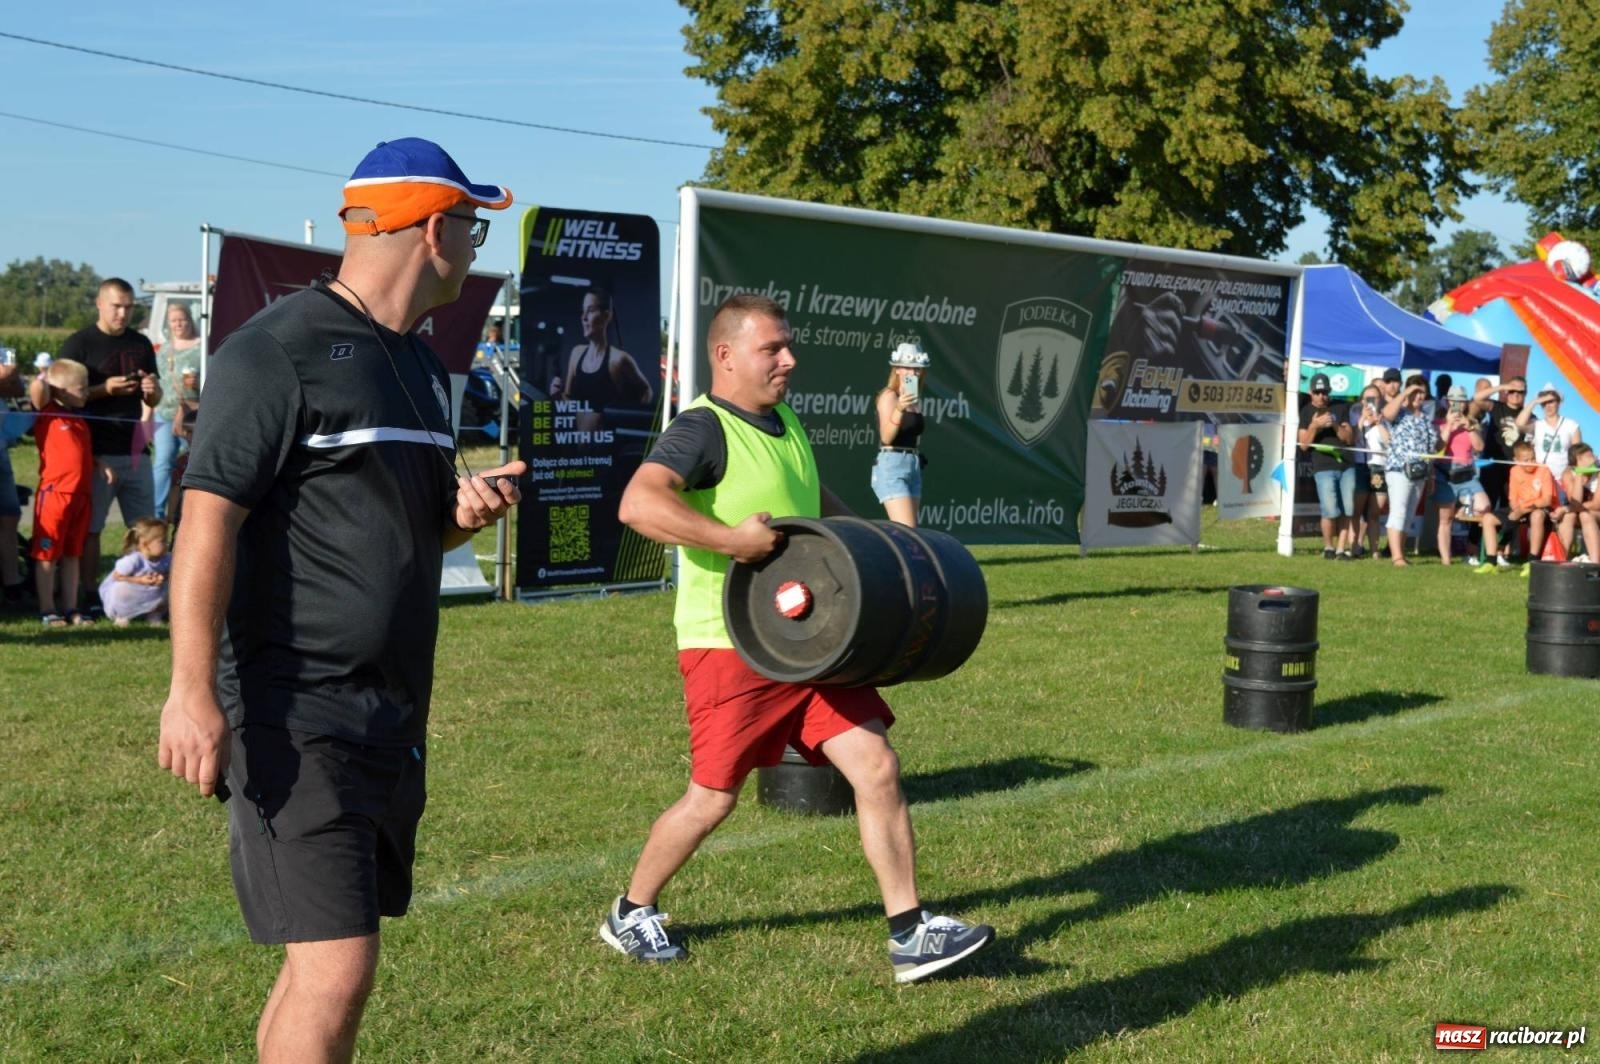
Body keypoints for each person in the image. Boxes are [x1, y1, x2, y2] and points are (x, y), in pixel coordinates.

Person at [157, 137, 521, 1064]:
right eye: (474, 226)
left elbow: (405, 527)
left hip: (389, 708)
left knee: (318, 970)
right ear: (434, 229)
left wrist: (459, 515)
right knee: (336, 971)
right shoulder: (277, 350)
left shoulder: (412, 361)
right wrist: (190, 691)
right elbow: (207, 521)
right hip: (294, 708)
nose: (478, 245)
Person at [607, 293, 994, 984]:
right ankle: (631, 908)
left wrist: (882, 547)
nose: (789, 360)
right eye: (772, 349)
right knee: (713, 798)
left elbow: (818, 510)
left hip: (809, 640)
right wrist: (733, 541)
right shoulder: (701, 428)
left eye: (788, 347)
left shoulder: (783, 420)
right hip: (731, 645)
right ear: (726, 356)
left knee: (876, 765)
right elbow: (639, 503)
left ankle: (910, 932)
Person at [51, 278, 161, 614]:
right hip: (95, 453)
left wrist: (151, 388)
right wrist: (103, 389)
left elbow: (155, 397)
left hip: (136, 450)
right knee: (92, 529)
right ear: (100, 304)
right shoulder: (79, 344)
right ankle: (90, 594)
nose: (123, 313)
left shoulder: (141, 343)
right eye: (116, 306)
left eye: (128, 307)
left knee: (145, 527)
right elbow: (58, 395)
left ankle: (144, 595)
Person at [29, 359, 94, 626]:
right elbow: (36, 391)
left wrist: (99, 464)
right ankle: (47, 609)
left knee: (72, 553)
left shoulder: (79, 419)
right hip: (55, 495)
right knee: (48, 554)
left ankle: (70, 607)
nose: (88, 393)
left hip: (81, 496)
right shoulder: (48, 411)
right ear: (62, 390)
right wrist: (45, 377)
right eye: (82, 388)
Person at [549, 287, 653, 431]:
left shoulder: (618, 360)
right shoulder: (577, 353)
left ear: (606, 316)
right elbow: (569, 400)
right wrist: (556, 396)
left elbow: (646, 390)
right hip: (578, 447)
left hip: (609, 447)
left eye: (590, 310)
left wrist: (630, 421)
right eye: (583, 311)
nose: (584, 317)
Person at [152, 302, 204, 520]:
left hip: (192, 415)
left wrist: (199, 381)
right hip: (164, 413)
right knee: (163, 461)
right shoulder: (164, 349)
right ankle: (156, 513)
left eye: (181, 319)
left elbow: (212, 380)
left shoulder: (202, 347)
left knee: (189, 461)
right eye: (173, 320)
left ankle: (184, 512)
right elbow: (157, 381)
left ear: (189, 320)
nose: (178, 324)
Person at [1380, 376, 1438, 567]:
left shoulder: (1426, 420)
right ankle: (1396, 557)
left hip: (1420, 473)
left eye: (1422, 392)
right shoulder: (1400, 413)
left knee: (1409, 514)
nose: (1418, 396)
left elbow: (1431, 449)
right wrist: (1405, 393)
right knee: (1398, 511)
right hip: (1398, 469)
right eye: (1415, 391)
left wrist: (1430, 475)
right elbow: (1386, 414)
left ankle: (1400, 553)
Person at [871, 341, 930, 526]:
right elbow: (886, 437)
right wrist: (899, 408)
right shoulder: (889, 396)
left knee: (911, 533)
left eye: (917, 369)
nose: (913, 373)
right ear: (897, 369)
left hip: (912, 464)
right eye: (908, 367)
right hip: (892, 465)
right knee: (908, 532)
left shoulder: (914, 400)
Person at [1298, 372, 1355, 559]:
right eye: (1317, 392)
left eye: (1325, 392)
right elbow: (1304, 445)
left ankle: (1341, 549)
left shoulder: (1340, 407)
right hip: (1323, 466)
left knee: (1348, 508)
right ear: (1310, 392)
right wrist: (1314, 426)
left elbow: (1349, 438)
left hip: (1346, 464)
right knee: (1330, 509)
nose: (1321, 396)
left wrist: (1336, 425)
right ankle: (1328, 547)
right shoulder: (1305, 411)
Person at [1434, 385, 1487, 566]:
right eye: (1454, 400)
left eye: (1461, 400)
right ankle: (1446, 560)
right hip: (1444, 472)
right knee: (1445, 519)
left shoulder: (1472, 423)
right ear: (1448, 402)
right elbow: (1438, 448)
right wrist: (1448, 425)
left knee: (1483, 507)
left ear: (1466, 403)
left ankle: (1470, 549)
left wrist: (1470, 428)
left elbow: (1479, 447)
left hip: (1466, 474)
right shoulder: (1438, 422)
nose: (1458, 404)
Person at [98, 516, 170, 626]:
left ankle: (154, 613)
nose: (166, 544)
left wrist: (163, 577)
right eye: (162, 541)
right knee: (121, 589)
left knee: (169, 587)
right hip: (134, 590)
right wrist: (139, 580)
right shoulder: (133, 560)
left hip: (152, 593)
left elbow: (171, 573)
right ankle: (122, 615)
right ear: (145, 544)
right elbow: (117, 576)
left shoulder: (166, 558)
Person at [1470, 376, 1529, 509]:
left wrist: (1533, 403)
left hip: (1514, 468)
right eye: (1512, 391)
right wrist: (1502, 387)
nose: (1516, 394)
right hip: (1491, 464)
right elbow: (1477, 398)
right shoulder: (1497, 407)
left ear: (1525, 394)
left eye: (1520, 392)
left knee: (1509, 508)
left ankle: (1503, 531)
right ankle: (1478, 531)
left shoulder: (1529, 416)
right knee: (1484, 507)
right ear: (1507, 392)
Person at [1505, 439, 1559, 563]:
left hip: (1543, 507)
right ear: (1516, 460)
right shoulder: (1514, 470)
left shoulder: (1544, 470)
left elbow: (1546, 500)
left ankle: (1532, 560)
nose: (1531, 463)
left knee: (1537, 515)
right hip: (1522, 507)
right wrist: (1517, 509)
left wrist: (1522, 510)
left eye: (1533, 459)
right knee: (1491, 518)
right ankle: (1496, 557)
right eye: (1526, 460)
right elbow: (1512, 497)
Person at [1350, 384, 1387, 558]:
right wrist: (1363, 421)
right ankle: (1354, 546)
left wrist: (1378, 424)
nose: (1370, 402)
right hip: (1360, 465)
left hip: (1378, 466)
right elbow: (1352, 439)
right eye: (1367, 398)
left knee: (1374, 511)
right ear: (1361, 399)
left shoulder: (1385, 416)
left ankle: (1374, 549)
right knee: (1356, 511)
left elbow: (1389, 442)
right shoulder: (1354, 413)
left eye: (1374, 398)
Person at [1517, 384, 1582, 481]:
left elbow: (1578, 453)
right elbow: (1519, 424)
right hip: (1540, 478)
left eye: (1551, 402)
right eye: (1544, 403)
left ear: (1559, 402)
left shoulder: (1571, 425)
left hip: (1563, 479)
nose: (1547, 406)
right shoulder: (1537, 424)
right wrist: (1535, 402)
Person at [0, 349, 24, 605]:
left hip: (1, 448)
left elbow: (16, 387)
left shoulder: (3, 347)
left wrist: (8, 376)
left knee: (9, 515)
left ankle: (12, 585)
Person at [1559, 443, 1600, 562]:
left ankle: (1595, 564)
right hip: (1580, 511)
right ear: (1578, 460)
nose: (1594, 458)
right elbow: (1575, 501)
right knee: (1568, 517)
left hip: (1596, 512)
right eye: (1589, 456)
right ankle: (1562, 560)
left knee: (1585, 514)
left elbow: (1597, 504)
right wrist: (1579, 474)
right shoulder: (1568, 474)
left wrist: (1566, 508)